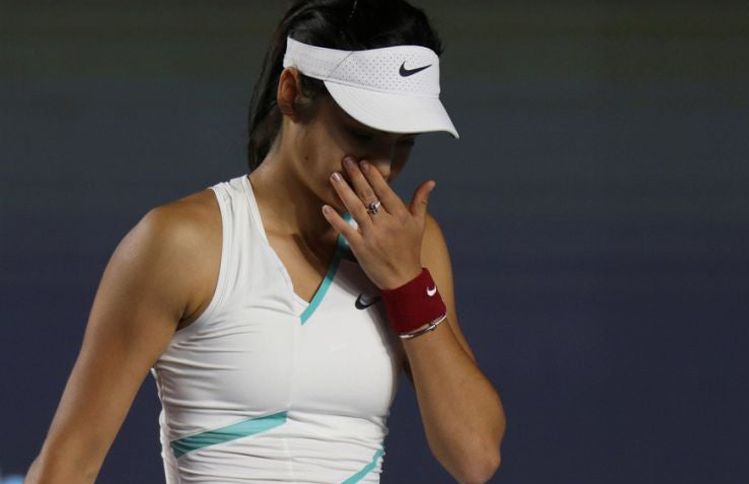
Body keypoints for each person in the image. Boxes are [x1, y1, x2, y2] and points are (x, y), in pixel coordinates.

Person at [24, 0, 505, 483]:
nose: (382, 168)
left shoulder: (411, 245)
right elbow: (67, 466)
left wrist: (405, 283)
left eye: (404, 144)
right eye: (361, 136)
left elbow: (475, 458)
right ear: (291, 92)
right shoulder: (180, 244)